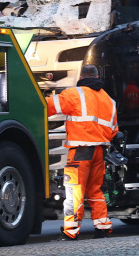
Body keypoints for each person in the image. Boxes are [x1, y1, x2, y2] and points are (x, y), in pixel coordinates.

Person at [47, 65, 117, 240]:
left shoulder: (74, 94)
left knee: (74, 191)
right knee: (95, 190)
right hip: (100, 151)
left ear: (81, 77)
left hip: (80, 151)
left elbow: (47, 106)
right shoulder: (109, 100)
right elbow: (114, 129)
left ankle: (71, 231)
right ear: (97, 76)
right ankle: (102, 227)